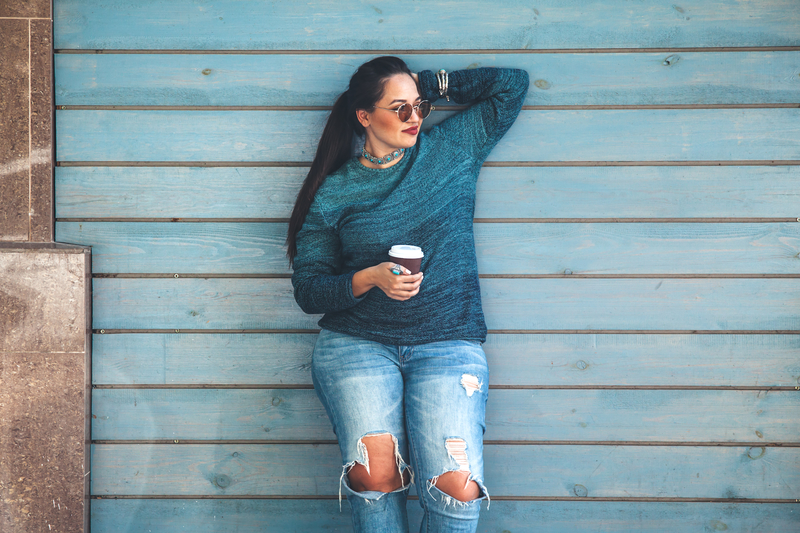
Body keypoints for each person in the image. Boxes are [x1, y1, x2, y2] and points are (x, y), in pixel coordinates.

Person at [286, 56, 528, 532]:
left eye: (419, 107)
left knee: (458, 490)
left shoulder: (452, 149)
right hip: (357, 346)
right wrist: (370, 277)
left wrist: (431, 85)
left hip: (447, 343)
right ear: (364, 117)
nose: (415, 117)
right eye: (399, 109)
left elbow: (512, 86)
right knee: (376, 480)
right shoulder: (335, 191)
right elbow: (310, 289)